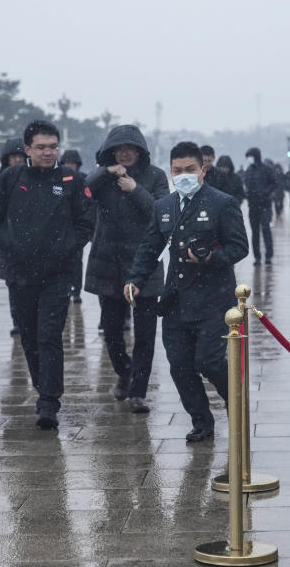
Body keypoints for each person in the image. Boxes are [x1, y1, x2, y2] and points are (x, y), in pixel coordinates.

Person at [126, 141, 248, 442]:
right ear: (170, 171)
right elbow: (150, 246)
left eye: (189, 170)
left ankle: (236, 404)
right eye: (177, 170)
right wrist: (135, 279)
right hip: (176, 299)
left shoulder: (222, 203)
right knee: (179, 365)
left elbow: (239, 247)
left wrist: (210, 257)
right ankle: (201, 421)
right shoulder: (164, 206)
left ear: (202, 171)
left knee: (209, 361)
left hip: (213, 298)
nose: (183, 175)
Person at [0, 120, 95, 429]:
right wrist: (10, 245)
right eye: (41, 147)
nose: (48, 152)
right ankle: (41, 384)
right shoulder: (9, 179)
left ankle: (49, 400)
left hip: (58, 274)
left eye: (53, 147)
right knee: (29, 337)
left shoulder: (72, 180)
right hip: (20, 273)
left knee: (49, 335)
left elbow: (87, 222)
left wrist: (67, 248)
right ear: (27, 149)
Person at [84, 125, 170, 413]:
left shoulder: (155, 176)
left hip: (144, 264)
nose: (124, 153)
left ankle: (138, 391)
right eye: (118, 149)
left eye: (129, 149)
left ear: (140, 151)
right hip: (108, 264)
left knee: (145, 333)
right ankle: (124, 370)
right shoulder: (103, 177)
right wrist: (107, 172)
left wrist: (136, 190)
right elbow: (84, 191)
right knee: (111, 331)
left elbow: (162, 212)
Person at [0, 137, 28, 336]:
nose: (17, 160)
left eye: (20, 156)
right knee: (13, 286)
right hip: (9, 243)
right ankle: (17, 321)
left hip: (35, 243)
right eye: (13, 157)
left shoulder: (35, 176)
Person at [59, 149, 88, 304]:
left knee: (77, 263)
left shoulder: (83, 179)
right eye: (67, 163)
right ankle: (64, 290)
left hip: (77, 229)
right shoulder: (56, 178)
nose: (70, 166)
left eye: (73, 163)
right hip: (59, 229)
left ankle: (76, 291)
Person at [243, 147, 276, 265]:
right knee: (255, 232)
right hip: (253, 205)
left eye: (250, 156)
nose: (249, 159)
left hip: (265, 204)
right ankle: (257, 256)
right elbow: (245, 184)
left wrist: (265, 192)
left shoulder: (266, 169)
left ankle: (268, 255)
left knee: (266, 229)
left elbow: (274, 183)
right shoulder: (248, 170)